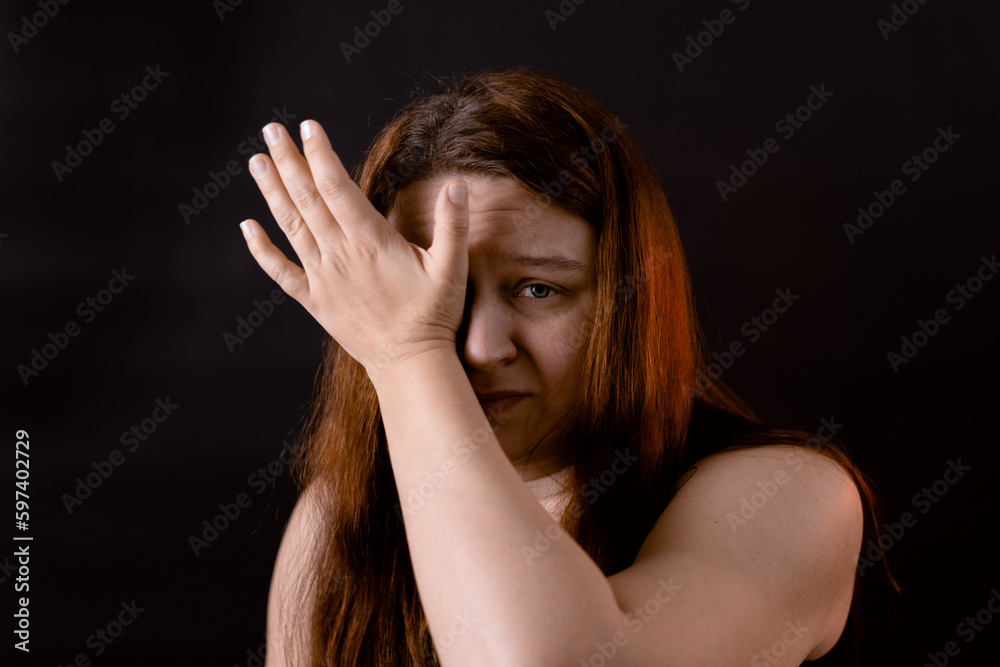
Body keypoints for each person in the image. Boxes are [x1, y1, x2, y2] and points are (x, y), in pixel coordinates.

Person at [238, 66, 894, 666]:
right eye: (439, 293)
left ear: (626, 297)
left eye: (538, 289)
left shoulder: (792, 494)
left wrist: (409, 353)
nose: (479, 347)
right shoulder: (335, 521)